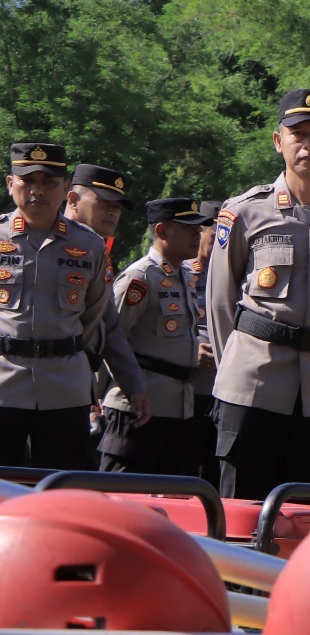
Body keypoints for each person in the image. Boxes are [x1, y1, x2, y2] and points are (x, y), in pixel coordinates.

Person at [206, 89, 310, 498]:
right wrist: (239, 373)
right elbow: (220, 305)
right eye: (299, 134)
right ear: (278, 141)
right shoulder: (245, 212)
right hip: (253, 389)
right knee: (243, 517)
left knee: (309, 521)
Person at [0, 142, 141, 469]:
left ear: (65, 188)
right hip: (3, 388)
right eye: (27, 180)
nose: (37, 190)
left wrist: (133, 385)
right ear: (11, 185)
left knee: (64, 489)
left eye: (48, 182)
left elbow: (97, 319)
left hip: (64, 390)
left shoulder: (89, 245)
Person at [99, 198, 215, 474]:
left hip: (179, 408)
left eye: (198, 228)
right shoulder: (140, 277)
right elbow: (111, 338)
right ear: (162, 231)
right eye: (187, 228)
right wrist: (105, 396)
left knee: (169, 499)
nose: (196, 234)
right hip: (138, 409)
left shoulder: (184, 275)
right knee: (123, 496)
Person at [64, 163, 151, 426]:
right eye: (104, 202)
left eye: (118, 207)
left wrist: (134, 386)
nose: (113, 211)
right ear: (72, 199)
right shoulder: (33, 243)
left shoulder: (95, 251)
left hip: (75, 385)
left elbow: (110, 326)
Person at [187, 200, 223, 486]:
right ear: (199, 232)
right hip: (188, 388)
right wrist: (190, 350)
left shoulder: (238, 277)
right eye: (215, 236)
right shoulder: (182, 273)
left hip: (224, 391)